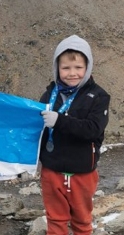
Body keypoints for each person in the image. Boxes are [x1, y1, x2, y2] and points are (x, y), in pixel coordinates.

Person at [40, 35, 110, 235]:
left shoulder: (98, 96)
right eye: (66, 68)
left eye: (78, 67)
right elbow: (38, 130)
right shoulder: (49, 94)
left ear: (88, 67)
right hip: (51, 171)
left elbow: (93, 129)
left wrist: (59, 121)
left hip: (83, 173)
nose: (72, 73)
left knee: (81, 221)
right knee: (55, 220)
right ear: (57, 68)